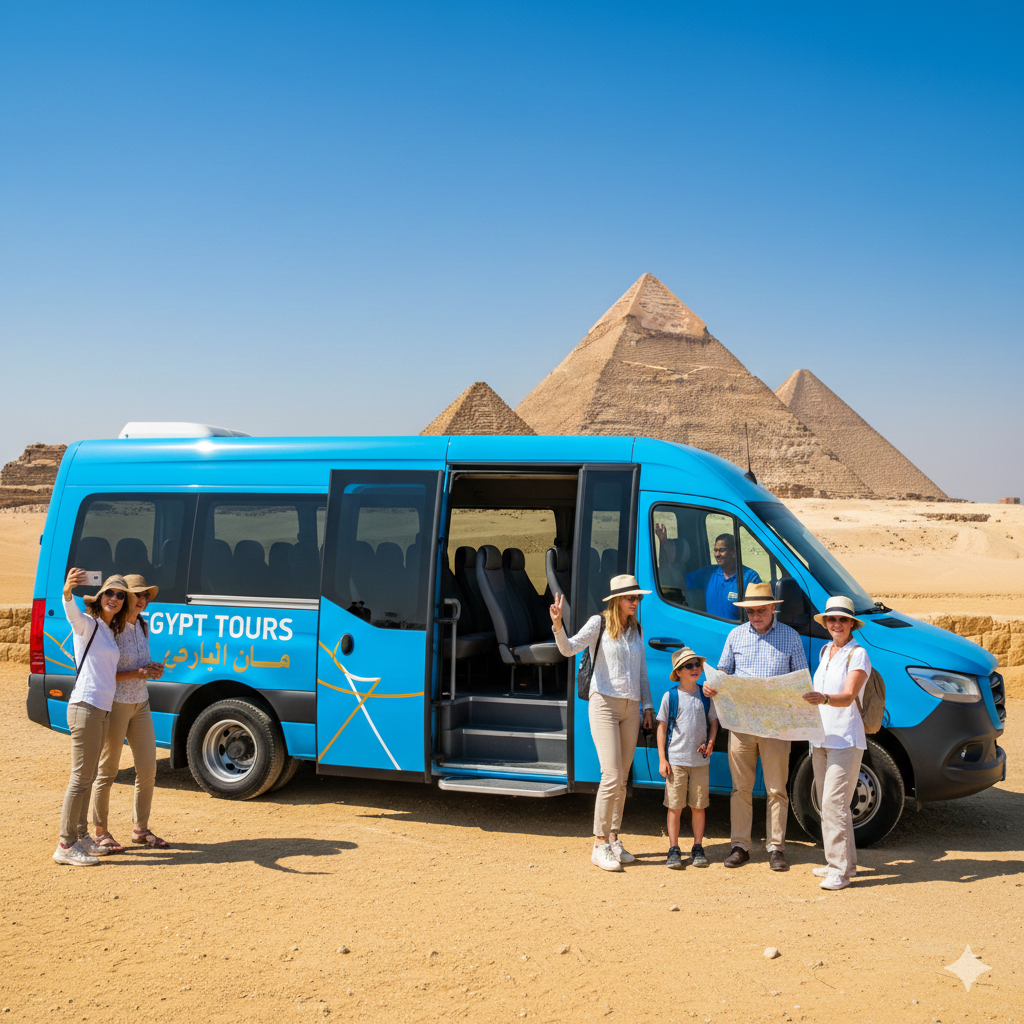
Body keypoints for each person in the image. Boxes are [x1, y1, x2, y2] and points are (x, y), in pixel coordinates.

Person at [550, 574, 655, 872]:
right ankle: (598, 845)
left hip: (631, 708)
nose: (636, 602)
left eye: (638, 598)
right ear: (616, 600)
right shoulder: (598, 624)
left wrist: (648, 707)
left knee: (622, 779)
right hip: (603, 704)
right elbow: (568, 649)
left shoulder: (636, 629)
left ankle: (613, 838)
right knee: (610, 775)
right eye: (631, 598)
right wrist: (557, 624)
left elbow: (642, 673)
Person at [703, 581, 808, 871]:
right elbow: (723, 671)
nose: (755, 615)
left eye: (760, 610)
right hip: (742, 725)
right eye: (750, 611)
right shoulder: (735, 636)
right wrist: (713, 686)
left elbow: (801, 679)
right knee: (741, 789)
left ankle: (776, 848)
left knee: (777, 789)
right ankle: (740, 846)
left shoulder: (791, 637)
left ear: (773, 608)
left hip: (776, 727)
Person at [54, 570, 133, 866]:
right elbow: (71, 613)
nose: (114, 598)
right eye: (109, 593)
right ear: (99, 598)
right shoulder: (88, 625)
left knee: (87, 778)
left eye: (120, 595)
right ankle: (65, 844)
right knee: (80, 777)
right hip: (85, 706)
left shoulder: (109, 633)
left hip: (101, 709)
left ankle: (82, 836)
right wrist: (67, 592)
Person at [89, 574, 168, 851]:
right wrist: (138, 672)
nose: (143, 600)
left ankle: (140, 829)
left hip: (141, 704)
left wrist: (152, 670)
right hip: (116, 705)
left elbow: (140, 668)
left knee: (148, 768)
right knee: (107, 770)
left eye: (146, 595)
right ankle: (100, 831)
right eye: (138, 595)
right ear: (126, 599)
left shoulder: (143, 626)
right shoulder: (112, 629)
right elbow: (105, 673)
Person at [801, 596, 870, 891]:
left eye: (842, 619)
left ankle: (839, 872)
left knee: (834, 804)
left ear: (852, 623)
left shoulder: (859, 654)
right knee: (829, 803)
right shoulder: (825, 650)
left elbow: (849, 695)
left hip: (845, 738)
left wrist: (824, 698)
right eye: (831, 619)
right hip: (820, 737)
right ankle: (842, 864)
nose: (836, 624)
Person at [657, 646, 718, 869]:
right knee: (674, 806)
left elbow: (713, 722)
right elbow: (661, 728)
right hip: (676, 761)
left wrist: (711, 742)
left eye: (697, 665)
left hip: (700, 762)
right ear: (678, 672)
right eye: (688, 666)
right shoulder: (670, 696)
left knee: (698, 806)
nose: (695, 668)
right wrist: (663, 759)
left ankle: (698, 847)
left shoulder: (705, 695)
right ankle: (674, 848)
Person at [654, 525, 760, 619]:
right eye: (715, 550)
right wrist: (665, 546)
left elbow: (758, 612)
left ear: (734, 552)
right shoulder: (709, 573)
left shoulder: (750, 577)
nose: (717, 554)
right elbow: (678, 580)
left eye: (722, 550)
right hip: (711, 634)